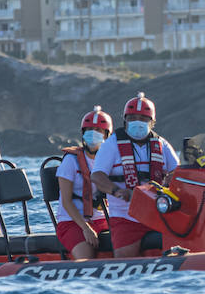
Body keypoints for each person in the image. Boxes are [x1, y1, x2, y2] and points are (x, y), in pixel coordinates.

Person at [91, 92, 179, 257]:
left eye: (143, 118)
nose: (137, 122)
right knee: (124, 256)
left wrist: (171, 178)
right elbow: (97, 176)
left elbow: (179, 172)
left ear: (152, 122)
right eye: (132, 118)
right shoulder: (111, 144)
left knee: (180, 244)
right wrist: (117, 191)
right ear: (125, 120)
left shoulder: (162, 144)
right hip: (125, 216)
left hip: (159, 213)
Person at [53, 106, 113, 259]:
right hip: (72, 222)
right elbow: (66, 202)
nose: (93, 133)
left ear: (107, 135)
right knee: (85, 255)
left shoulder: (109, 160)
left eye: (98, 130)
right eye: (89, 130)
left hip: (101, 219)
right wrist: (86, 228)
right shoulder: (70, 161)